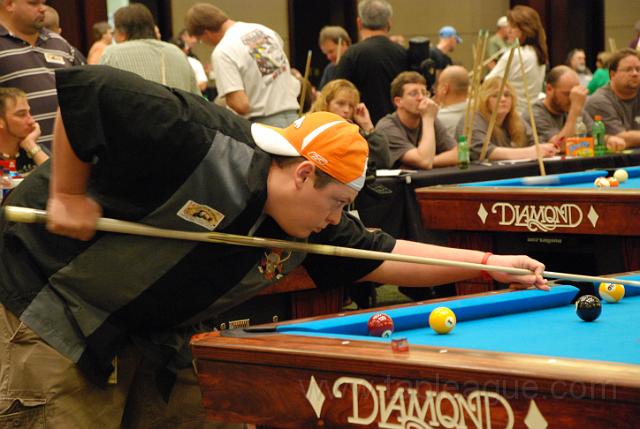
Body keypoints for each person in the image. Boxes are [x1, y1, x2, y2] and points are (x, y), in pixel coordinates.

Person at [0, 65, 547, 428]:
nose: (336, 220)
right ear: (304, 174)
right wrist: (66, 193)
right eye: (337, 204)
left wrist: (489, 264)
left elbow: (382, 254)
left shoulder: (308, 220)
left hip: (152, 328)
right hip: (55, 301)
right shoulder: (200, 135)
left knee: (207, 412)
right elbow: (87, 89)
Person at [185, 3, 300, 127]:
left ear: (206, 33)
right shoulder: (264, 30)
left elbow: (241, 105)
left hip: (264, 125)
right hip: (294, 118)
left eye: (201, 40)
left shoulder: (223, 51)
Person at [0, 0, 84, 150]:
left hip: (66, 154)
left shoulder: (59, 42)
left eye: (43, 3)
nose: (43, 8)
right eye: (34, 3)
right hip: (19, 158)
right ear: (9, 4)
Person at [334, 0, 408, 124]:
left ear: (359, 23)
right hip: (399, 126)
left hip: (362, 127)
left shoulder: (352, 55)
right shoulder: (403, 53)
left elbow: (337, 93)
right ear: (389, 23)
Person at [100, 4, 199, 94]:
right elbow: (197, 99)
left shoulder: (112, 53)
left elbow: (101, 95)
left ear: (122, 32)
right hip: (178, 108)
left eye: (114, 32)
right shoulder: (177, 52)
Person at [527, 65, 625, 153]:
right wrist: (575, 108)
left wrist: (609, 140)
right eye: (567, 94)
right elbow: (560, 146)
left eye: (575, 93)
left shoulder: (572, 107)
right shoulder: (535, 114)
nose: (572, 98)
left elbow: (593, 135)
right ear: (549, 89)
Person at [457, 76, 557, 161]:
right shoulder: (472, 118)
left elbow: (535, 142)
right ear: (485, 100)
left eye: (507, 95)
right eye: (495, 95)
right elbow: (483, 151)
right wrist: (531, 152)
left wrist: (547, 148)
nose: (503, 99)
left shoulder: (515, 119)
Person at [376, 71, 457, 169]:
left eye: (424, 93)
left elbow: (459, 154)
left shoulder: (429, 118)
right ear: (398, 101)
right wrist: (428, 118)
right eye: (414, 94)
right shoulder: (387, 127)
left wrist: (431, 160)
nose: (421, 98)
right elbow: (425, 162)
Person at [310, 79, 391, 169]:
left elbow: (383, 163)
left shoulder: (354, 132)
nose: (346, 110)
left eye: (351, 106)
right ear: (326, 103)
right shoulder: (313, 127)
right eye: (340, 103)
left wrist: (367, 125)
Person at [485, 5, 548, 115]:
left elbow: (488, 84)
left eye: (513, 27)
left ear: (526, 30)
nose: (508, 31)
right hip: (533, 114)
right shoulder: (538, 53)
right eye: (508, 26)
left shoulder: (515, 54)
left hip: (514, 116)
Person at [585, 48, 640, 149]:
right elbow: (620, 138)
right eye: (628, 70)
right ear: (613, 75)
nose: (635, 73)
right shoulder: (599, 100)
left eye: (638, 69)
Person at [0, 87, 48, 173]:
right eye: (21, 114)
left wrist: (30, 145)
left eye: (29, 113)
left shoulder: (33, 149)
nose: (32, 121)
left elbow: (59, 178)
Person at [434, 65, 469, 139]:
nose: (436, 89)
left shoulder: (437, 118)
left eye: (438, 84)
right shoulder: (479, 109)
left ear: (445, 88)